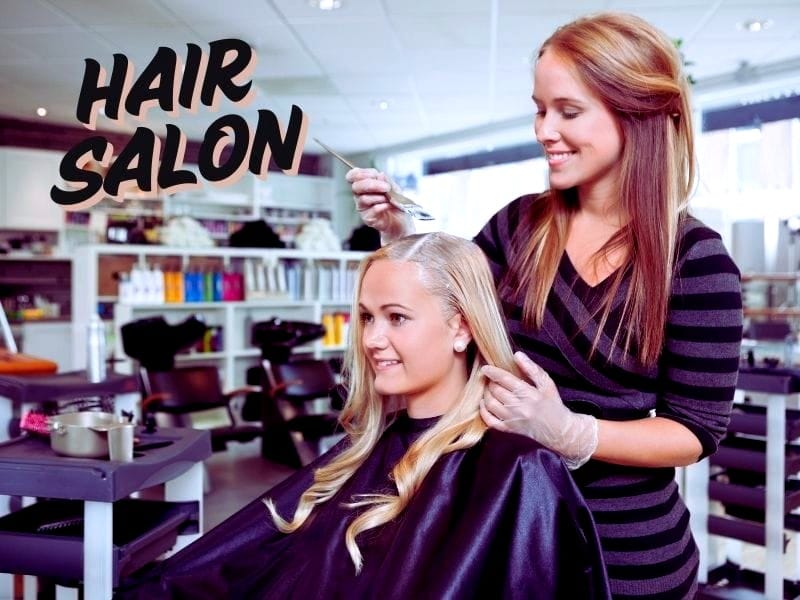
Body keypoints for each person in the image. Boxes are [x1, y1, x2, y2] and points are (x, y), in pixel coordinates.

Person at [348, 12, 743, 599]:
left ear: (635, 113)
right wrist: (400, 235)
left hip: (628, 561)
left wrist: (573, 433)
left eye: (568, 110)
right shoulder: (517, 227)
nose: (543, 129)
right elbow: (449, 313)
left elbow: (696, 430)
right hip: (504, 540)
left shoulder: (696, 262)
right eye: (539, 108)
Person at [116, 232, 611, 599]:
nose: (372, 339)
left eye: (396, 317)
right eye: (368, 317)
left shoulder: (517, 470)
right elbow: (240, 563)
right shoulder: (365, 452)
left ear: (461, 329)